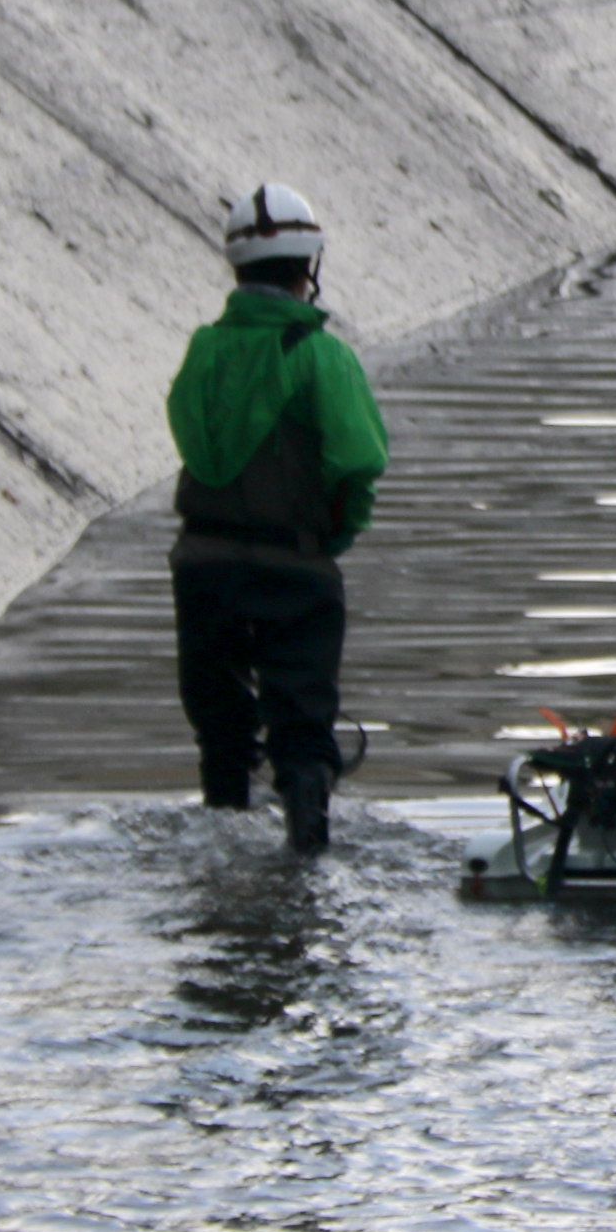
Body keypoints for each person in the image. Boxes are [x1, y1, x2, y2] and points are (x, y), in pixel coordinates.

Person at [166, 183, 387, 854]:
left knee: (222, 730)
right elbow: (360, 461)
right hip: (296, 569)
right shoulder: (324, 356)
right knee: (303, 730)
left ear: (237, 267)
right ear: (309, 267)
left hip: (202, 565)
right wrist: (328, 540)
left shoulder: (203, 351)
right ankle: (307, 852)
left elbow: (189, 435)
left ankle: (224, 837)